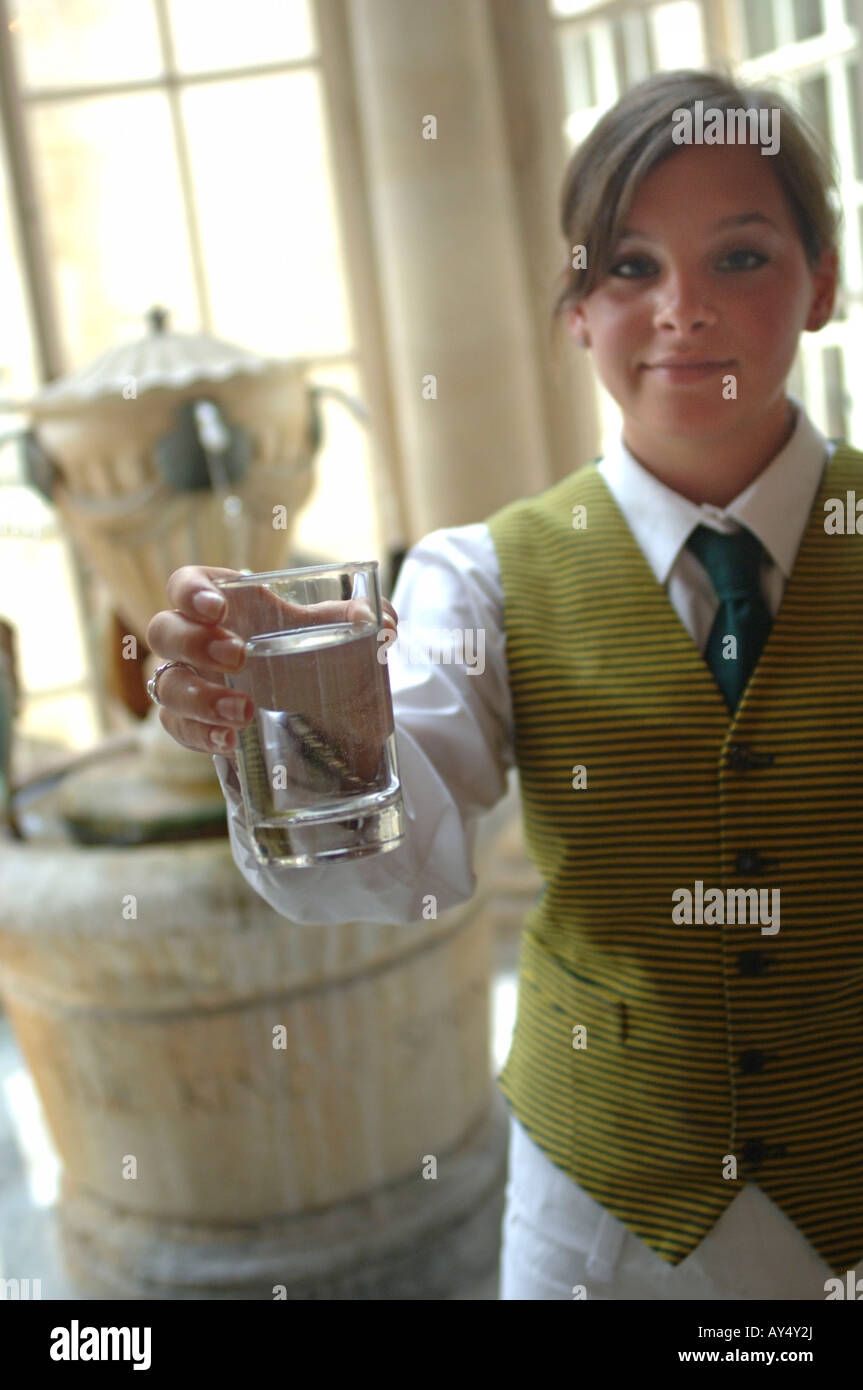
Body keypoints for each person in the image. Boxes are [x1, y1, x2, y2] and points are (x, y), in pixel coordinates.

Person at [145, 69, 863, 1300]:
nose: (680, 309)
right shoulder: (480, 576)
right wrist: (303, 720)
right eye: (628, 267)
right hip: (605, 1224)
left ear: (821, 281)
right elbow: (400, 865)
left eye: (737, 256)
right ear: (577, 311)